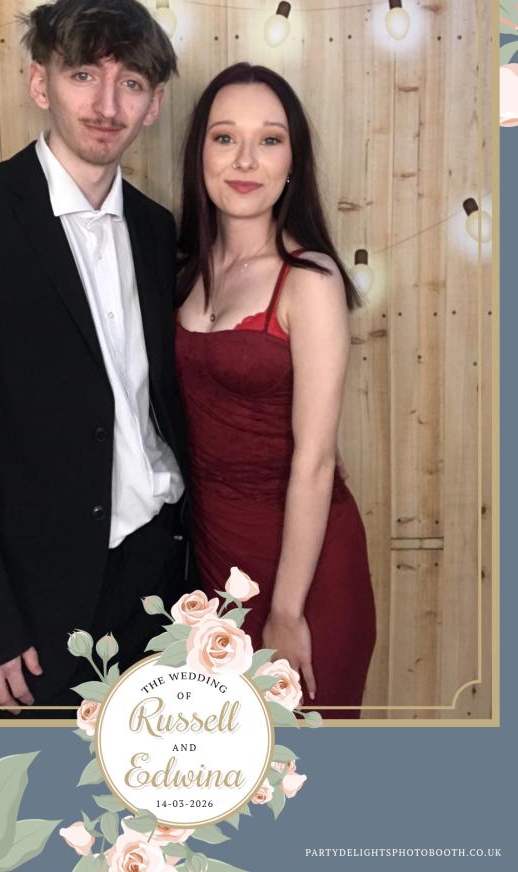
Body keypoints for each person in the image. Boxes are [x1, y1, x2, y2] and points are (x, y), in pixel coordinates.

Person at [0, 0, 194, 719]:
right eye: (83, 74)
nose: (107, 104)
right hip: (39, 600)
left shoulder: (157, 230)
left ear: (153, 104)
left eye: (130, 83)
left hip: (165, 572)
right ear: (40, 84)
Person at [175, 62, 376, 719]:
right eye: (224, 137)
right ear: (199, 153)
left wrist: (286, 610)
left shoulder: (309, 279)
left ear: (293, 161)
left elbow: (314, 461)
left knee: (301, 759)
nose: (245, 160)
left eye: (269, 139)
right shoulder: (181, 271)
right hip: (210, 558)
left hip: (303, 572)